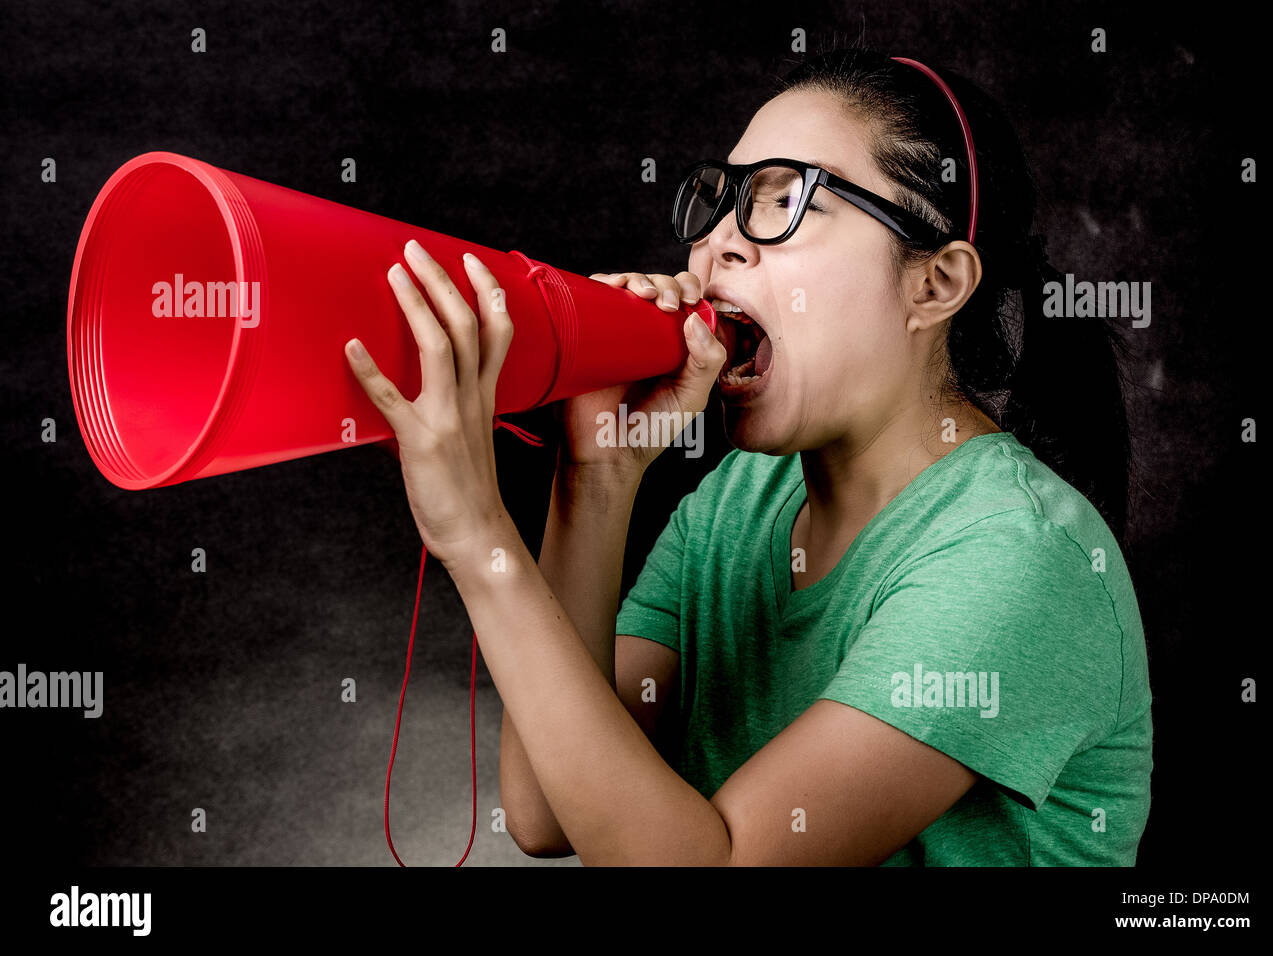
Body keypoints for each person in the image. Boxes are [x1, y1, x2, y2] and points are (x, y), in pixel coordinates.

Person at [345, 47, 1153, 866]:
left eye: (785, 199)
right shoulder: (742, 497)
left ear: (935, 285)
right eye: (723, 201)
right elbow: (547, 812)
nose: (717, 248)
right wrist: (599, 476)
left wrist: (481, 542)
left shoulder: (1016, 555)